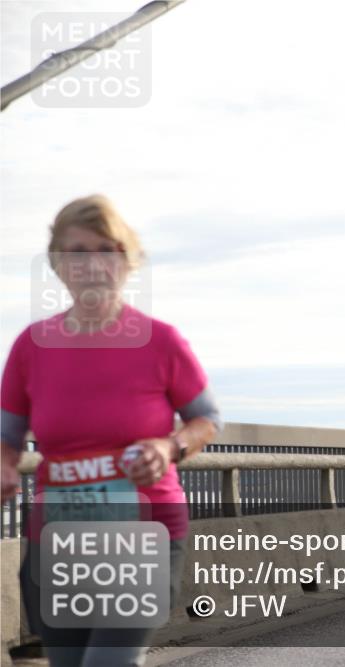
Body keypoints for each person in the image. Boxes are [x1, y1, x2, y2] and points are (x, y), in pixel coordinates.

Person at [0, 195, 221, 667]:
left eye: (107, 249)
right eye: (77, 251)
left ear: (128, 260)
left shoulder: (160, 340)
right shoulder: (30, 347)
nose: (93, 263)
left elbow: (206, 420)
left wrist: (170, 445)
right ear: (58, 264)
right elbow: (7, 436)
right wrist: (4, 466)